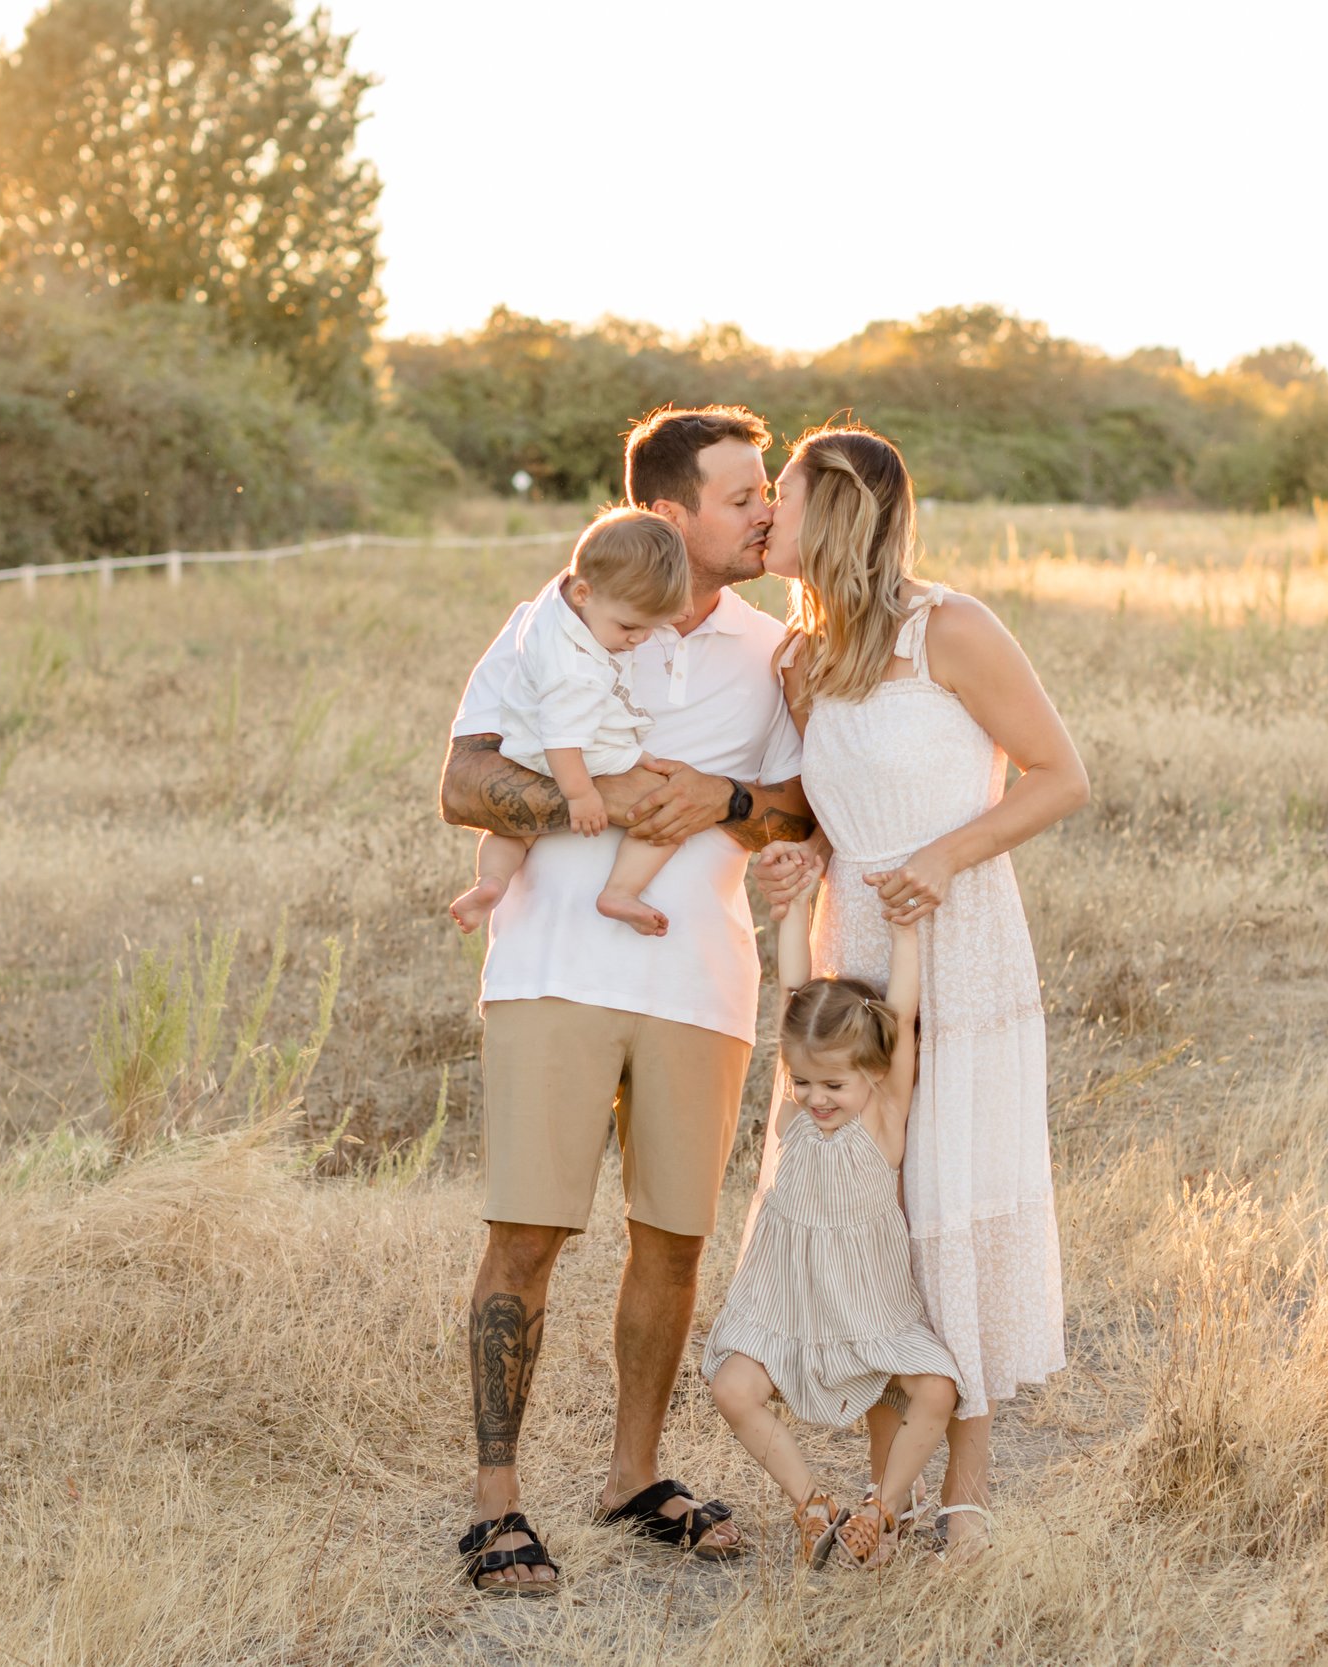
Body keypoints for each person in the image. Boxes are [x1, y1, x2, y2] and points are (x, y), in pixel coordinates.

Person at [437, 406, 817, 1596]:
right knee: (529, 1232)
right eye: (742, 493)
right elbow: (460, 780)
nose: (765, 510)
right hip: (553, 964)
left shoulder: (773, 647)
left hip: (700, 975)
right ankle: (496, 1505)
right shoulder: (551, 616)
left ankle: (632, 1475)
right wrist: (596, 801)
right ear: (669, 512)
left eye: (768, 493)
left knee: (673, 1238)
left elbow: (802, 807)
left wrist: (716, 797)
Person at [753, 421, 1089, 1564]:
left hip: (964, 936)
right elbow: (813, 811)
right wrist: (792, 865)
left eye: (779, 495)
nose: (762, 514)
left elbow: (1060, 774)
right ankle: (881, 1485)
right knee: (868, 1206)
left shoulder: (951, 627)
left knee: (951, 1194)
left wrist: (946, 857)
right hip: (856, 940)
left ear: (832, 506)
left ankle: (970, 1488)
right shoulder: (796, 659)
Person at [702, 886, 960, 1570]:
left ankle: (882, 1508)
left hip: (868, 1312)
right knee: (731, 1385)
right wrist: (787, 911)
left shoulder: (881, 1116)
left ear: (871, 1075)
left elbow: (900, 1017)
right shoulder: (796, 1109)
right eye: (804, 1081)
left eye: (833, 1086)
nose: (815, 1099)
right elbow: (792, 989)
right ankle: (813, 1500)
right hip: (789, 1308)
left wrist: (906, 934)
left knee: (937, 1387)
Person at [448, 508, 694, 938]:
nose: (638, 640)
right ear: (583, 593)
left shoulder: (560, 596)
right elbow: (563, 741)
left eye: (650, 627)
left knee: (510, 829)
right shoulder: (575, 672)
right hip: (571, 752)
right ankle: (620, 891)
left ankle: (491, 882)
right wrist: (581, 795)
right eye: (630, 627)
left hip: (522, 742)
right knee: (667, 812)